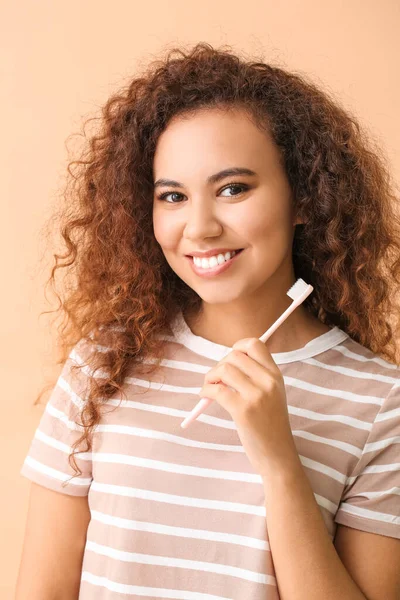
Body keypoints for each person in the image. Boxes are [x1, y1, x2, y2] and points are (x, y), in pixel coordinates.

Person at [16, 42, 400, 600]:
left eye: (233, 189)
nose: (199, 227)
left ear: (304, 199)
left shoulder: (381, 402)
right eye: (172, 196)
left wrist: (279, 461)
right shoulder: (103, 365)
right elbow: (42, 590)